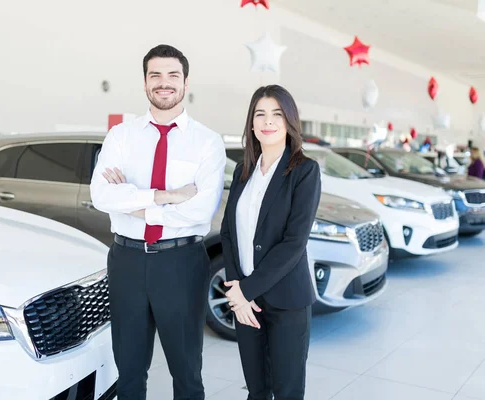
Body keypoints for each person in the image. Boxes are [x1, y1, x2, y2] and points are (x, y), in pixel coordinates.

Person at [90, 44, 226, 400]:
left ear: (185, 82)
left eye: (172, 75)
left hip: (180, 262)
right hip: (127, 261)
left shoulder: (207, 142)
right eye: (155, 75)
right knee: (130, 369)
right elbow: (102, 196)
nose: (164, 83)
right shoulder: (122, 135)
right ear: (145, 82)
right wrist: (165, 196)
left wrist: (131, 199)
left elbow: (199, 211)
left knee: (186, 371)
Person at [220, 85, 321, 400]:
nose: (268, 121)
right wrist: (237, 288)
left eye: (277, 113)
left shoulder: (305, 171)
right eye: (260, 114)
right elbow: (228, 233)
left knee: (287, 391)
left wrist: (246, 291)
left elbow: (294, 243)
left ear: (290, 121)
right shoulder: (242, 172)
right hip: (245, 301)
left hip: (287, 300)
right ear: (251, 123)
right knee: (257, 389)